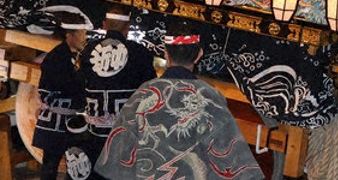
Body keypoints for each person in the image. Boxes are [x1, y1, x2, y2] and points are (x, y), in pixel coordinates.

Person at [95, 22, 262, 179]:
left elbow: (116, 158)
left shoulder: (144, 93)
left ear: (165, 54)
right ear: (199, 55)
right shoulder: (210, 97)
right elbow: (235, 161)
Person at [81, 5, 156, 168]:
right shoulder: (139, 53)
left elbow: (81, 83)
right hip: (126, 131)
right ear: (127, 27)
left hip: (95, 130)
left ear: (104, 25)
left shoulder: (88, 51)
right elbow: (151, 90)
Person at [34, 11, 90, 180]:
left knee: (75, 166)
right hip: (55, 121)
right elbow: (47, 92)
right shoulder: (56, 58)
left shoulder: (78, 57)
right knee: (50, 166)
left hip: (72, 121)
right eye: (82, 33)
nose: (85, 38)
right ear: (69, 35)